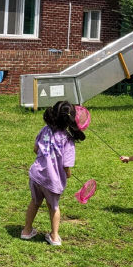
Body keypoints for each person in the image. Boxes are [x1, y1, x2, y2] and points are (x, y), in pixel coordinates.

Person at [21, 101, 84, 246]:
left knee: (35, 202)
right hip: (53, 180)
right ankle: (54, 236)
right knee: (53, 206)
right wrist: (67, 173)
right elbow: (66, 165)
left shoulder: (45, 130)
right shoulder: (68, 140)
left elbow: (36, 149)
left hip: (37, 175)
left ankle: (26, 230)